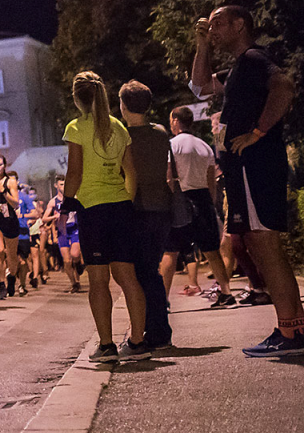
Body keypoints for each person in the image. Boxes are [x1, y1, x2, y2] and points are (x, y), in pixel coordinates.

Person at [190, 6, 303, 356]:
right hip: (247, 168)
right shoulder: (240, 67)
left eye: (218, 24)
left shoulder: (254, 58)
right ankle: (292, 328)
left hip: (255, 165)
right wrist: (201, 45)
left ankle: (292, 333)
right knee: (260, 243)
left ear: (240, 25)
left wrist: (257, 132)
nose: (212, 30)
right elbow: (199, 87)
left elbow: (284, 86)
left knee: (265, 244)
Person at [65, 71, 149, 361]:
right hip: (121, 208)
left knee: (98, 280)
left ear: (77, 98)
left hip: (93, 210)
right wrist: (127, 199)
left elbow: (74, 172)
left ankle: (106, 345)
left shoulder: (76, 128)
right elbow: (131, 171)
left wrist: (65, 203)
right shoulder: (118, 127)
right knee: (128, 277)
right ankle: (138, 343)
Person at [117, 82, 173, 350]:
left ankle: (154, 331)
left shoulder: (122, 138)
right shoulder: (161, 133)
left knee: (141, 274)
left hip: (136, 209)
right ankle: (158, 327)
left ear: (123, 106)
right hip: (162, 207)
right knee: (151, 270)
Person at [166, 106, 233, 307]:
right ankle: (226, 292)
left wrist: (167, 202)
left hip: (181, 199)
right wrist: (210, 202)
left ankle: (162, 300)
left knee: (171, 251)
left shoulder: (172, 145)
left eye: (171, 120)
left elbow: (169, 177)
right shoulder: (204, 146)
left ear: (176, 121)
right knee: (211, 250)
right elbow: (210, 178)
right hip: (203, 198)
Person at [0, 154, 22, 301]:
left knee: (12, 256)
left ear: (4, 165)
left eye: (0, 164)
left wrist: (4, 192)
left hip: (10, 219)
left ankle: (11, 277)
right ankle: (1, 285)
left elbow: (16, 203)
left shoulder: (10, 182)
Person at [44, 177, 83, 293]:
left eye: (65, 184)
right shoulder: (53, 202)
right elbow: (44, 218)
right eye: (61, 184)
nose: (63, 187)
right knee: (66, 261)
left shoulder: (74, 198)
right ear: (56, 186)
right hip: (62, 232)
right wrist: (54, 217)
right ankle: (74, 283)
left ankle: (78, 264)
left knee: (75, 255)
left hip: (74, 229)